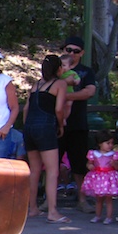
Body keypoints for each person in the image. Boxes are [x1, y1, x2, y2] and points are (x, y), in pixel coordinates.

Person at [22, 54, 67, 222]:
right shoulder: (60, 84)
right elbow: (59, 109)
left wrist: (28, 127)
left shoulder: (35, 85)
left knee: (34, 170)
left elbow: (26, 109)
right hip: (46, 127)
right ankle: (53, 212)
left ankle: (32, 207)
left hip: (30, 128)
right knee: (52, 170)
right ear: (58, 69)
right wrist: (60, 125)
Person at [57, 36, 97, 213]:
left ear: (82, 53)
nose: (71, 54)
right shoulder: (56, 69)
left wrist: (63, 95)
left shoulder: (86, 72)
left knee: (79, 164)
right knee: (52, 163)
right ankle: (50, 201)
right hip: (56, 123)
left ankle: (82, 199)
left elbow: (89, 92)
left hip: (78, 123)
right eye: (68, 50)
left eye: (75, 51)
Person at [80, 129, 118, 224]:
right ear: (99, 143)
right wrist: (90, 166)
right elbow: (89, 163)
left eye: (112, 143)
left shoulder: (114, 155)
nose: (110, 145)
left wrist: (114, 163)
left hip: (109, 178)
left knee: (109, 199)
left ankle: (109, 217)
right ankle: (97, 216)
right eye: (108, 143)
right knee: (98, 199)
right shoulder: (93, 154)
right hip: (97, 178)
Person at [57, 53, 80, 125]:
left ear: (70, 67)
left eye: (64, 65)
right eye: (60, 65)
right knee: (60, 105)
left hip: (69, 92)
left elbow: (77, 79)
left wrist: (76, 81)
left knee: (68, 105)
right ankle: (59, 118)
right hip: (60, 93)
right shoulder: (58, 73)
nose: (62, 67)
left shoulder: (72, 73)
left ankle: (64, 118)